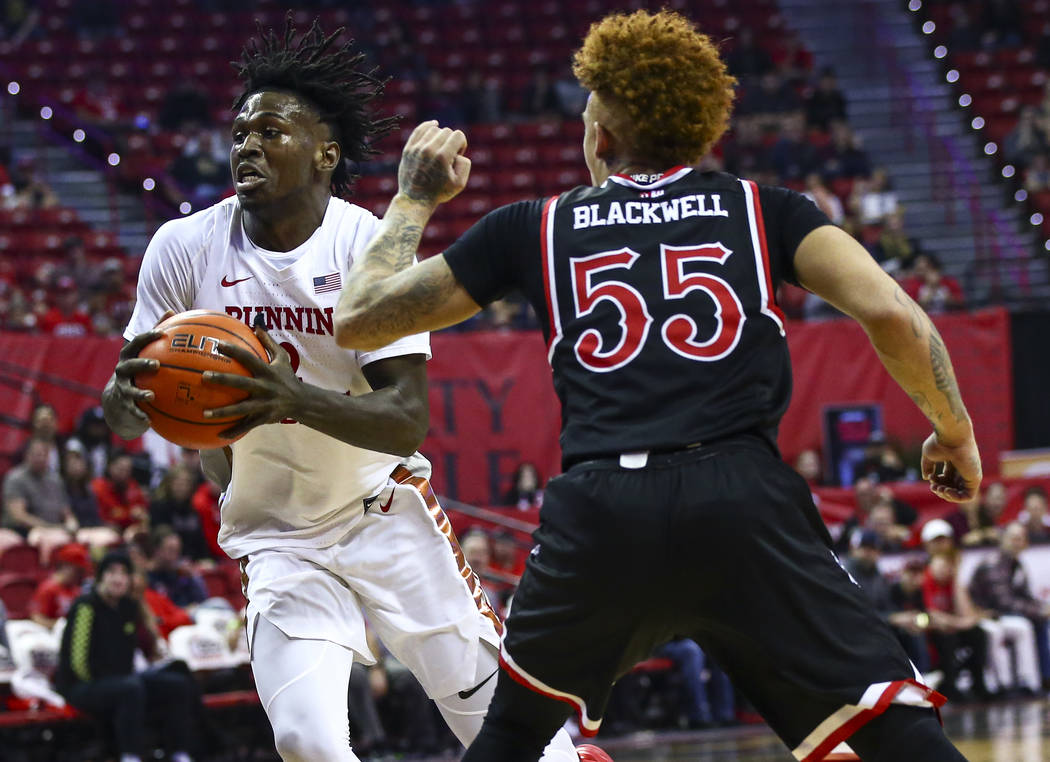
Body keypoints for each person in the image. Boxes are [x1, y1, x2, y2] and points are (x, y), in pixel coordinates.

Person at [333, 10, 981, 761]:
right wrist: (954, 431)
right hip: (742, 498)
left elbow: (359, 319)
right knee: (894, 727)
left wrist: (414, 195)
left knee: (512, 734)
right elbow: (892, 313)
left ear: (601, 136)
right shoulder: (765, 210)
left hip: (605, 508)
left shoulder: (532, 227)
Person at [99, 18, 586, 762]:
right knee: (306, 743)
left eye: (271, 132)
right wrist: (124, 408)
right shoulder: (183, 245)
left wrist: (286, 399)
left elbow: (404, 421)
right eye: (238, 133)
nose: (246, 147)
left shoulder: (366, 243)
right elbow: (128, 415)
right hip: (277, 535)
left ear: (325, 153)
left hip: (382, 514)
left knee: (513, 740)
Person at [54, 551, 203, 762]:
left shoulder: (129, 607)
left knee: (177, 684)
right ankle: (130, 756)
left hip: (123, 680)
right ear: (100, 578)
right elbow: (76, 660)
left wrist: (141, 605)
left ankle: (179, 753)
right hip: (81, 685)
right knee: (130, 689)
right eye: (111, 572)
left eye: (124, 573)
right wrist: (106, 682)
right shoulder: (86, 606)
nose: (118, 578)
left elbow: (149, 649)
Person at [29, 543, 92, 629]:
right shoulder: (48, 588)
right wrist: (60, 626)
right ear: (67, 567)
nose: (81, 575)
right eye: (78, 571)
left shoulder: (76, 589)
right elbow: (37, 618)